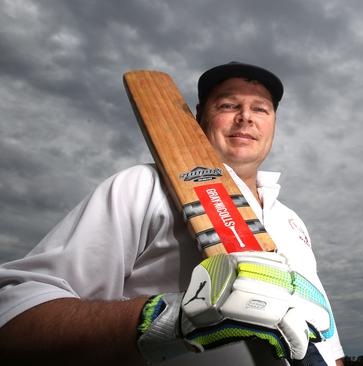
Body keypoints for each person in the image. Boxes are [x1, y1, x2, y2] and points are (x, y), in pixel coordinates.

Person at [0, 62, 345, 366]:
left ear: (273, 123)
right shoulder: (142, 185)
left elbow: (329, 345)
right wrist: (168, 319)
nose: (246, 117)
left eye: (261, 108)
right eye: (228, 104)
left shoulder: (291, 221)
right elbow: (12, 319)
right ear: (198, 116)